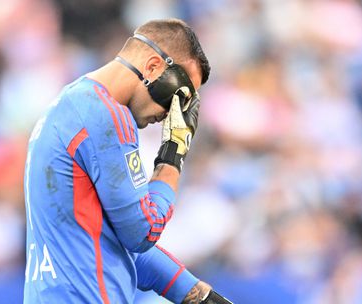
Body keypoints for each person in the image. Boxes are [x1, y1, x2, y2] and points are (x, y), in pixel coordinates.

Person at [23, 18, 231, 304]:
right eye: (179, 95)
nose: (174, 114)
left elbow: (120, 247)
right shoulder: (106, 114)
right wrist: (173, 153)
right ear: (154, 66)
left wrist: (201, 297)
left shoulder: (71, 104)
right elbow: (143, 232)